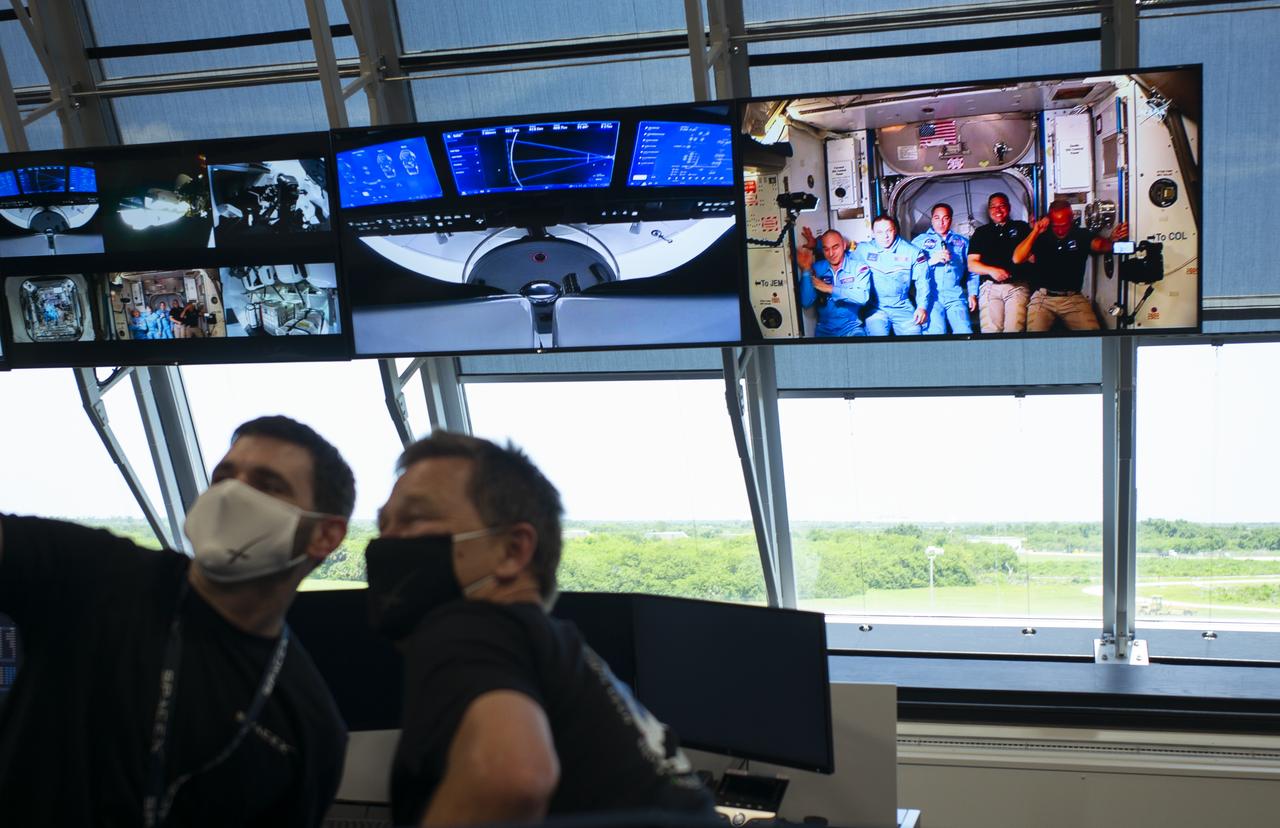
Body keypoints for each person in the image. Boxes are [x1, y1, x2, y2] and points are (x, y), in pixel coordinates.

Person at [0, 415, 355, 826]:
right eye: (223, 476)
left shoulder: (309, 726)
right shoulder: (95, 572)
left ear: (325, 537)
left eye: (267, 485)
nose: (231, 493)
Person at [367, 433, 715, 827]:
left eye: (414, 518)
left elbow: (514, 780)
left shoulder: (469, 623)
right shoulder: (559, 649)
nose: (386, 542)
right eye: (383, 524)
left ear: (513, 550)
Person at [1013, 198, 1128, 332]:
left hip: (1072, 298)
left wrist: (1112, 240)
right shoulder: (1041, 237)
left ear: (1072, 218)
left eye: (1064, 225)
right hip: (1043, 298)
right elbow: (1017, 258)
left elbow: (1101, 245)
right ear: (1049, 220)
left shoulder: (1081, 235)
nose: (1060, 230)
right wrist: (1035, 231)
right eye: (1056, 225)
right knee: (1034, 339)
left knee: (1093, 337)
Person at [968, 192, 1033, 333]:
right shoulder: (981, 232)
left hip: (1017, 286)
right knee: (990, 333)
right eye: (993, 207)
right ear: (989, 210)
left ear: (1008, 208)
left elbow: (1032, 256)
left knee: (1014, 331)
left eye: (1001, 206)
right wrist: (992, 270)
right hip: (990, 288)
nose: (997, 210)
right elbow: (972, 264)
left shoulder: (1022, 227)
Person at [912, 203, 976, 335]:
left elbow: (972, 269)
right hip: (931, 296)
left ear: (951, 220)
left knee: (965, 332)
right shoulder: (919, 242)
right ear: (931, 219)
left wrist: (972, 293)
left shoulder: (962, 242)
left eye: (945, 218)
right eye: (937, 218)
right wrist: (930, 262)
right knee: (936, 333)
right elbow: (910, 270)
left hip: (955, 294)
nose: (941, 222)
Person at [861, 214, 930, 336]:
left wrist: (922, 307)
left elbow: (923, 282)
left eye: (889, 231)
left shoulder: (912, 252)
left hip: (902, 306)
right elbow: (843, 258)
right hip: (876, 308)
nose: (885, 236)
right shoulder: (863, 250)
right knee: (877, 341)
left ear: (895, 230)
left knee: (915, 342)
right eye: (879, 232)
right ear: (872, 233)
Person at [796, 228, 871, 337]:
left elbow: (863, 297)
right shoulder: (817, 268)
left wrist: (829, 288)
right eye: (826, 249)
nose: (831, 254)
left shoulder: (858, 268)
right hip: (824, 331)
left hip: (852, 329)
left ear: (844, 246)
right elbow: (806, 302)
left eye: (835, 247)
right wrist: (806, 270)